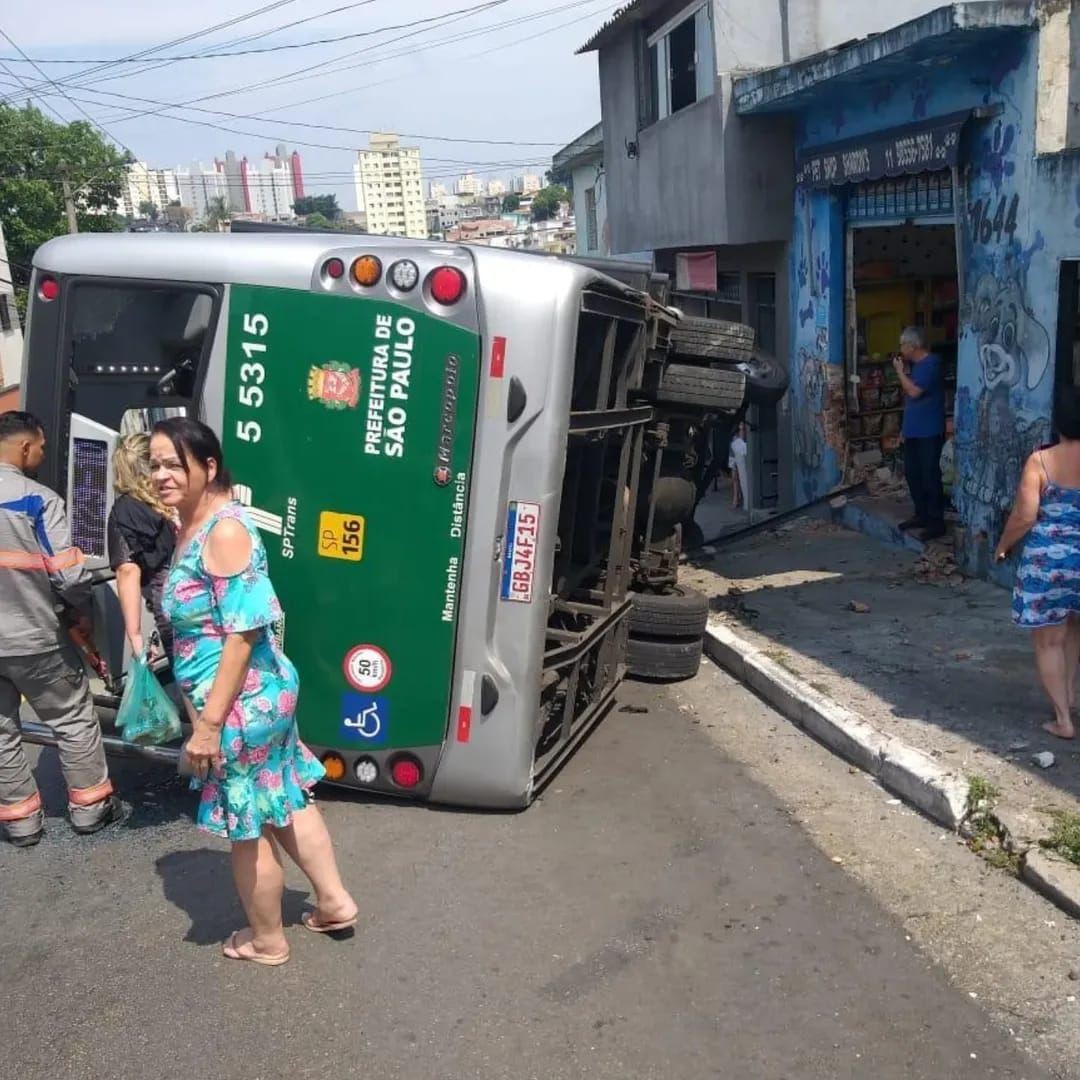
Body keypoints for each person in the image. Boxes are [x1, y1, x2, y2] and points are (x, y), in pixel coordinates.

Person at [152, 417, 356, 965]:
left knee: (249, 826)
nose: (161, 475)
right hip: (257, 696)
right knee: (284, 796)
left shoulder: (224, 529)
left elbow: (243, 631)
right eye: (155, 464)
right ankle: (334, 901)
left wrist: (210, 725)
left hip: (241, 704)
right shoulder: (194, 525)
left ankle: (267, 939)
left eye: (174, 463)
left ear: (209, 466)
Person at [0, 411, 121, 847]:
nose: (43, 454)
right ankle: (90, 808)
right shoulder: (38, 500)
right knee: (71, 718)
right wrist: (80, 612)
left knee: (0, 731)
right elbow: (68, 576)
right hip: (35, 637)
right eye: (42, 446)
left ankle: (21, 822)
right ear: (25, 448)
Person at [997, 386, 1080, 741]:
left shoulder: (1041, 461)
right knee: (1074, 629)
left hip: (1049, 561)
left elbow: (1025, 516)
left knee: (1050, 640)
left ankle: (1063, 718)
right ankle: (1071, 697)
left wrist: (1003, 545)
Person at [107, 433, 177, 662]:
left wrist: (135, 636)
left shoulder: (123, 512)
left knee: (194, 684)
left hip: (171, 605)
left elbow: (127, 571)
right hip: (209, 596)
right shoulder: (177, 493)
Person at [893, 327, 946, 541]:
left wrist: (899, 371)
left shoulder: (931, 364)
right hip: (914, 431)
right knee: (913, 474)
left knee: (930, 476)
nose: (900, 350)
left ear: (912, 345)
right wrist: (903, 431)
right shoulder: (915, 367)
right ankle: (921, 514)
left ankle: (936, 522)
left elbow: (914, 392)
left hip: (929, 432)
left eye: (902, 345)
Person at [728, 422, 749, 510]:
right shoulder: (736, 443)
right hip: (737, 454)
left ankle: (739, 500)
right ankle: (738, 499)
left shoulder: (737, 444)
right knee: (738, 478)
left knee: (740, 478)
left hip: (738, 452)